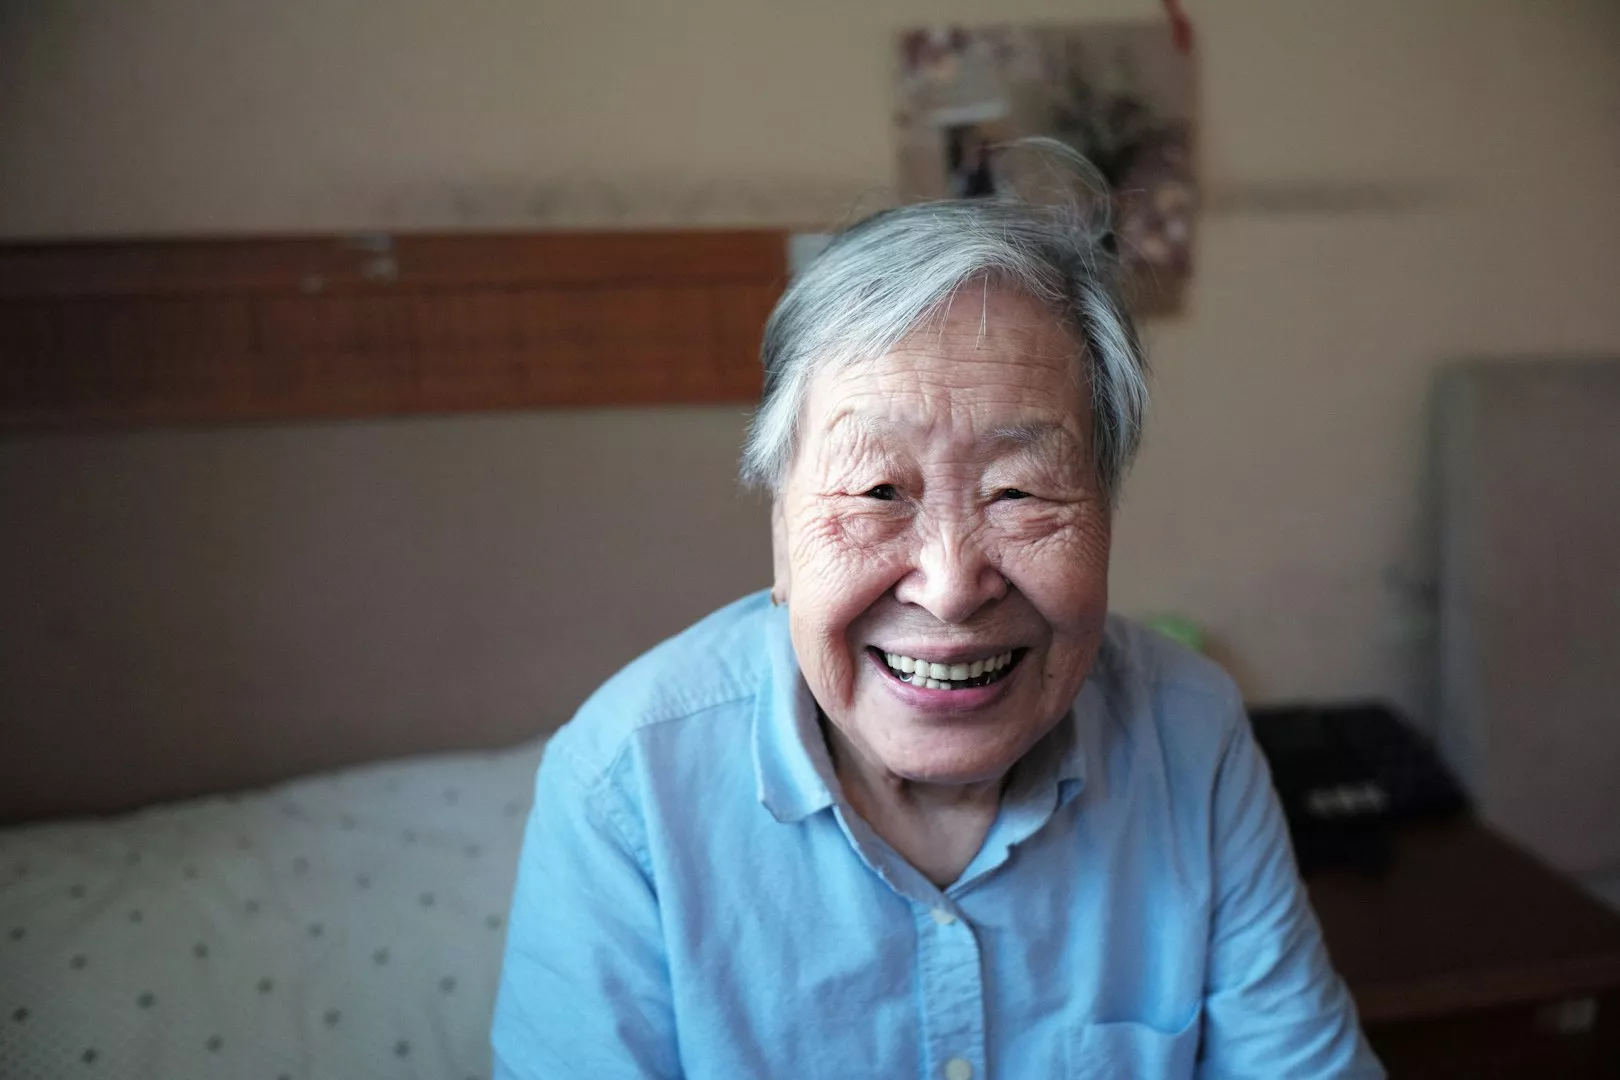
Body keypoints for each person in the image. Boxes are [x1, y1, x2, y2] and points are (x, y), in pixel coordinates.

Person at [491, 156, 1383, 1078]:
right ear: (783, 539)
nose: (951, 587)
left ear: (1108, 515)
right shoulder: (624, 787)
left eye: (1020, 491)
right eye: (877, 490)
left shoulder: (1188, 732)